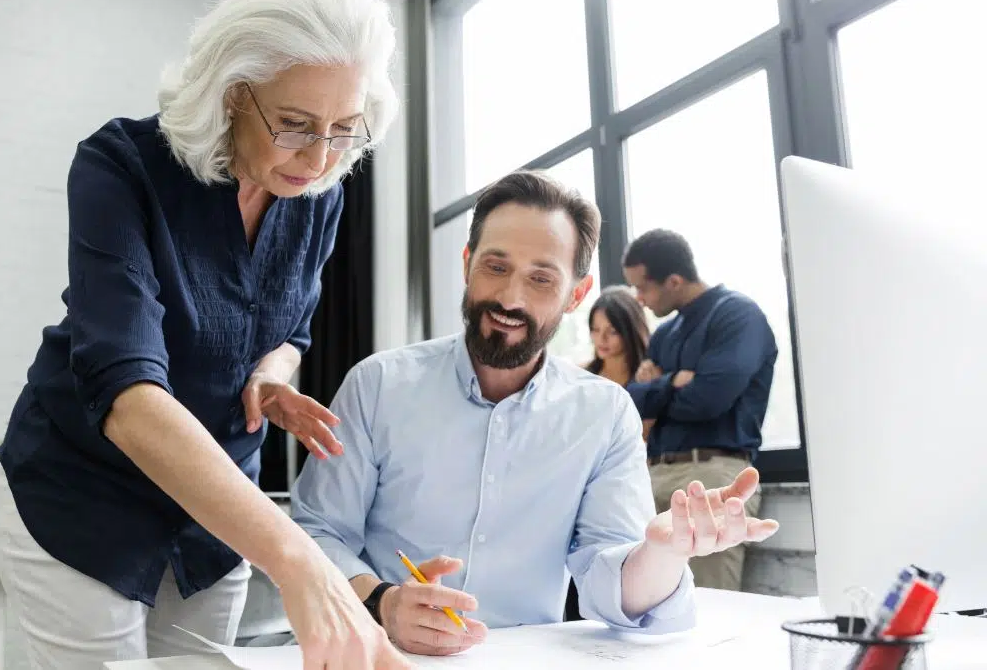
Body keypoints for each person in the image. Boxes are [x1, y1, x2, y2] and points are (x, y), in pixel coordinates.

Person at [0, 0, 411, 668]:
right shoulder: (120, 167)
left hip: (215, 522)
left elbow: (291, 327)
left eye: (344, 130)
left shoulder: (318, 193)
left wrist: (271, 376)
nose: (321, 156)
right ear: (234, 95)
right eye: (297, 125)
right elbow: (127, 395)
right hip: (83, 499)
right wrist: (301, 560)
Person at [291, 171, 779, 656]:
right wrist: (381, 602)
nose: (510, 298)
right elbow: (318, 532)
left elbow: (612, 583)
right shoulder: (379, 385)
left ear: (576, 294)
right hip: (378, 653)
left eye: (541, 279)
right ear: (467, 264)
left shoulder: (605, 414)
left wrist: (663, 553)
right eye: (495, 267)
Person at [622, 228, 779, 592]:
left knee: (711, 608)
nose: (639, 299)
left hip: (713, 475)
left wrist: (655, 389)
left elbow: (707, 401)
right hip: (653, 475)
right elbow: (632, 401)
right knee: (646, 606)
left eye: (643, 288)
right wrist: (673, 381)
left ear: (674, 281)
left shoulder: (738, 316)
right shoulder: (664, 334)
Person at [584, 285, 650, 386]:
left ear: (630, 330)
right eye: (596, 329)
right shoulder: (583, 376)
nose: (601, 339)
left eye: (612, 331)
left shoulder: (647, 376)